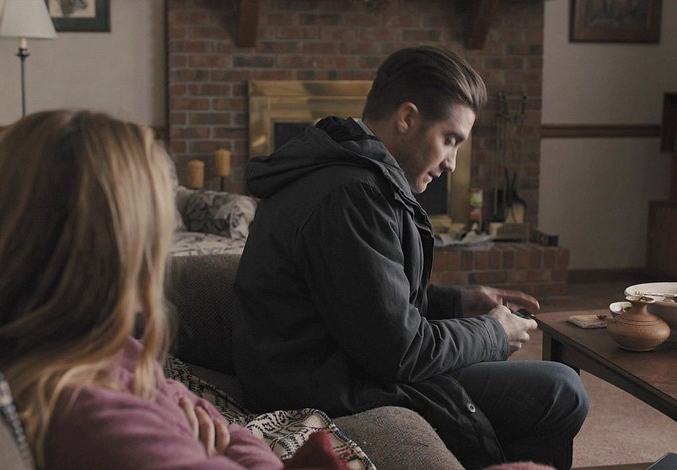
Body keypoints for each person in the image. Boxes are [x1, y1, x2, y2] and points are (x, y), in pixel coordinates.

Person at [232, 47, 589, 469]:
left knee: (552, 385)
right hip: (325, 384)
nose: (452, 163)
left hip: (331, 364)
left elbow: (364, 299)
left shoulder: (347, 173)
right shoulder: (353, 194)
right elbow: (399, 351)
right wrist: (493, 333)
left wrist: (459, 302)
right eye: (450, 140)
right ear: (407, 118)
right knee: (561, 389)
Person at [0, 110, 346, 470]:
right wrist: (229, 447)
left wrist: (213, 435)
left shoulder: (95, 350)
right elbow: (219, 431)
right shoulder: (99, 420)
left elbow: (200, 411)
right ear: (121, 261)